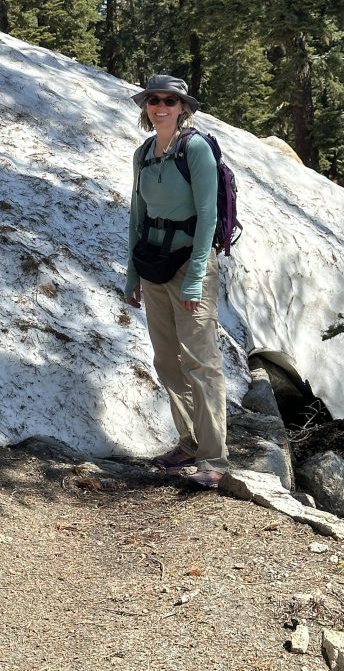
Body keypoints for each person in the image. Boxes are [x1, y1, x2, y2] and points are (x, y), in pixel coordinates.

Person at [124, 74, 229, 488]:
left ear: (183, 107)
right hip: (153, 264)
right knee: (167, 360)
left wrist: (196, 276)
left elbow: (209, 216)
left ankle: (214, 459)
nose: (161, 106)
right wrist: (132, 273)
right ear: (146, 106)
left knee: (200, 361)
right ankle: (188, 441)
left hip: (191, 264)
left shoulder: (196, 148)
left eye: (170, 100)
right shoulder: (144, 153)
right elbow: (137, 215)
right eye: (154, 100)